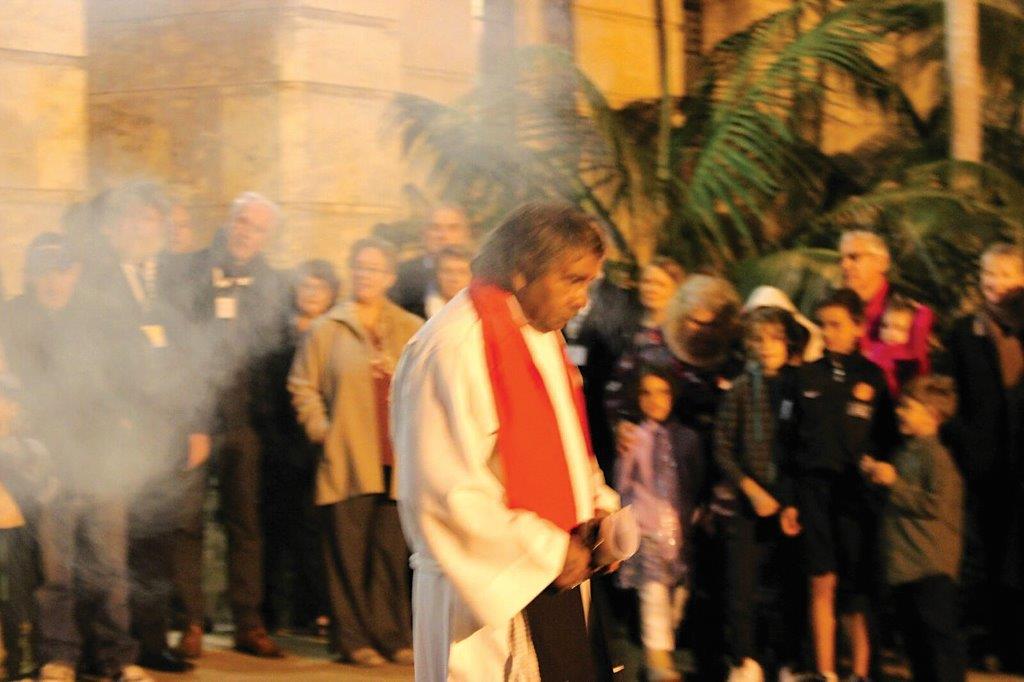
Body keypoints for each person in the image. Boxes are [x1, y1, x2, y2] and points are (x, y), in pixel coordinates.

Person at [391, 202, 621, 680]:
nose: (583, 300)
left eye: (589, 284)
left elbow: (568, 446)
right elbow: (445, 493)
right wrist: (547, 551)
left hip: (552, 577)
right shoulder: (452, 347)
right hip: (485, 600)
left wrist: (597, 506)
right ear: (521, 271)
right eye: (573, 280)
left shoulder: (540, 334)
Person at [2, 232, 154, 682]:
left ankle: (118, 657)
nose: (55, 281)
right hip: (48, 464)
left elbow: (124, 381)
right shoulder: (13, 320)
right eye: (46, 271)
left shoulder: (97, 320)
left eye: (64, 271)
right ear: (31, 275)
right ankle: (60, 656)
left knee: (109, 570)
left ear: (77, 274)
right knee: (56, 573)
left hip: (100, 462)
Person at [289, 239, 421, 667]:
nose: (366, 276)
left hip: (396, 460)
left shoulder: (410, 326)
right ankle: (353, 639)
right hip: (349, 457)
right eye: (359, 268)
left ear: (390, 277)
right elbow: (302, 383)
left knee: (389, 554)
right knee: (347, 552)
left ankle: (392, 634)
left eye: (375, 269)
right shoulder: (329, 327)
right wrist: (322, 430)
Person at [172, 191, 289, 659]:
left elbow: (280, 353)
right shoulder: (189, 269)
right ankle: (191, 622)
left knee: (245, 523)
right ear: (229, 219)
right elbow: (175, 348)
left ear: (267, 237)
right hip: (193, 419)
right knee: (187, 523)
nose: (246, 231)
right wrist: (186, 418)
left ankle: (247, 621)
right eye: (242, 221)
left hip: (246, 423)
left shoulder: (273, 284)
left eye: (257, 227)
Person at [790, 288, 898, 682]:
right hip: (813, 490)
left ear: (858, 326)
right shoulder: (806, 376)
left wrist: (880, 468)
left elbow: (887, 438)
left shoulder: (872, 377)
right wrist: (790, 500)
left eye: (837, 325)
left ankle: (862, 671)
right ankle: (826, 670)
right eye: (824, 325)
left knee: (857, 585)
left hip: (855, 494)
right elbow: (791, 442)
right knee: (822, 579)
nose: (829, 332)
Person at [945, 242, 1024, 672]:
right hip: (985, 463)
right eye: (989, 275)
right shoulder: (963, 331)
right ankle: (993, 641)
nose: (995, 285)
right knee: (989, 556)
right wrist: (968, 442)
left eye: (1006, 276)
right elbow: (953, 394)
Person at [714, 307, 803, 681]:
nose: (766, 347)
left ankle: (786, 660)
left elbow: (804, 446)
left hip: (789, 501)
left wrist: (790, 499)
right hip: (749, 501)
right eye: (758, 339)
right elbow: (722, 444)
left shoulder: (799, 386)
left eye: (775, 338)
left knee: (788, 585)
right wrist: (750, 490)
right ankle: (744, 660)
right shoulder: (740, 388)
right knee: (741, 587)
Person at [860, 375, 965, 682]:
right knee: (918, 648)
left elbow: (936, 504)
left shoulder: (937, 457)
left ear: (931, 414)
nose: (899, 412)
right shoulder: (907, 452)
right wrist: (877, 477)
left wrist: (894, 483)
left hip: (930, 570)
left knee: (938, 647)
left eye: (908, 407)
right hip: (906, 569)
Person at [258, 260, 338, 635]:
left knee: (312, 531)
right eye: (305, 287)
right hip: (276, 442)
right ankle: (271, 611)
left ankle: (315, 610)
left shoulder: (336, 333)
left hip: (316, 446)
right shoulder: (277, 333)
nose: (311, 295)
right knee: (273, 529)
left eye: (319, 288)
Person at [616, 367, 702, 681]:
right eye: (647, 393)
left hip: (679, 530)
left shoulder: (688, 439)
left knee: (676, 596)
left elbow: (694, 480)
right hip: (646, 527)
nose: (655, 400)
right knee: (652, 592)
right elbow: (622, 483)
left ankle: (662, 649)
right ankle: (658, 662)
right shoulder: (633, 438)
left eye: (662, 392)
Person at [0, 372, 54, 680]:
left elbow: (43, 490)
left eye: (4, 400)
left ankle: (20, 665)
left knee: (16, 604)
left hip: (14, 534)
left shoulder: (30, 449)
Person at [838, 230, 932, 372]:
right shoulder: (839, 302)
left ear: (882, 263)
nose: (844, 265)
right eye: (842, 259)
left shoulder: (910, 304)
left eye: (854, 257)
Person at [389, 204, 471, 315]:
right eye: (435, 228)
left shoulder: (481, 275)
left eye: (452, 228)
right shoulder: (400, 276)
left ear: (465, 234)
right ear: (423, 234)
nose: (443, 235)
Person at [864, 295, 926, 396]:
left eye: (899, 328)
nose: (890, 332)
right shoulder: (873, 348)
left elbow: (920, 327)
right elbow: (869, 322)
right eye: (885, 326)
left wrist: (923, 310)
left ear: (912, 332)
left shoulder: (911, 353)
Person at [420, 245, 473, 319]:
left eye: (462, 272)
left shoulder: (483, 311)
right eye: (447, 271)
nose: (454, 279)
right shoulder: (417, 309)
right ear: (436, 274)